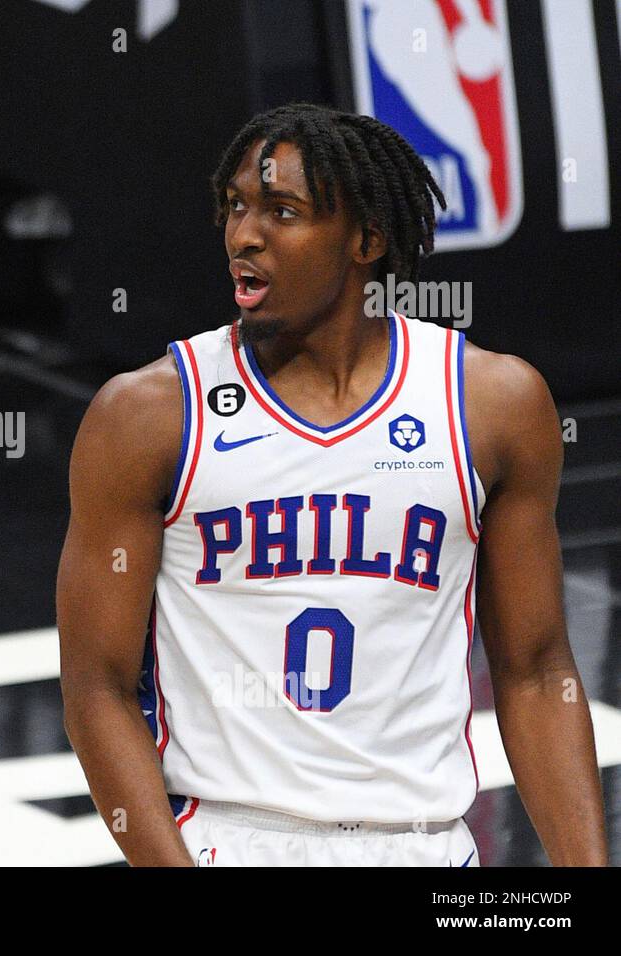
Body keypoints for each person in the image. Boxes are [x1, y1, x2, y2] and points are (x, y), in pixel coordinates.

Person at [57, 103, 606, 866]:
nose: (244, 235)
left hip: (428, 846)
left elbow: (539, 671)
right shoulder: (148, 414)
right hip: (233, 837)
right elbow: (97, 686)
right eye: (237, 206)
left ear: (366, 240)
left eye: (283, 212)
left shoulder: (490, 403)